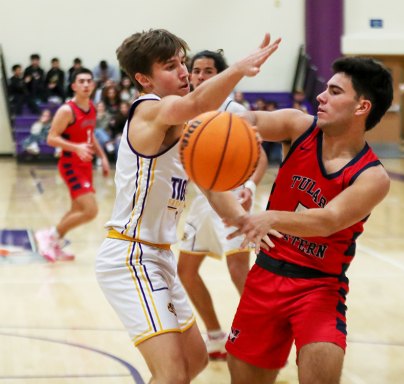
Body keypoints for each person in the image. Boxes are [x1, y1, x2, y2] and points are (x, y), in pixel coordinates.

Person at [94, 28, 280, 384]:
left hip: (158, 256)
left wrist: (245, 222)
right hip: (130, 255)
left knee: (194, 361)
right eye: (170, 66)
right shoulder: (148, 110)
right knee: (172, 373)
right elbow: (196, 104)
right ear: (144, 79)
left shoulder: (185, 129)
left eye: (183, 62)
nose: (183, 72)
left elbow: (211, 189)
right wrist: (239, 68)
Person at [224, 57, 394, 384]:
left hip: (319, 288)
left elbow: (328, 220)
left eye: (333, 91)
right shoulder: (298, 126)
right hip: (266, 276)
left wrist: (270, 217)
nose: (321, 97)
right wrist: (225, 122)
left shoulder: (372, 177)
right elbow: (249, 120)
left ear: (362, 107)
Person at [176, 49, 268, 361]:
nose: (201, 76)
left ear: (221, 75)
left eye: (208, 71)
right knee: (186, 271)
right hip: (202, 201)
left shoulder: (235, 109)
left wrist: (251, 186)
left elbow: (261, 157)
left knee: (238, 271)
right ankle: (215, 334)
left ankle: (263, 335)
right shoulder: (188, 110)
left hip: (234, 197)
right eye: (196, 71)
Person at [35, 68, 110, 262]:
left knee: (77, 210)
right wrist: (75, 146)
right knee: (90, 211)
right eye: (81, 81)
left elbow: (90, 135)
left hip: (85, 165)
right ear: (74, 86)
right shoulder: (67, 110)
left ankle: (55, 242)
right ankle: (49, 235)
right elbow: (51, 138)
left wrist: (103, 157)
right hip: (70, 165)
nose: (86, 84)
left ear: (93, 86)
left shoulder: (92, 107)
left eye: (89, 81)